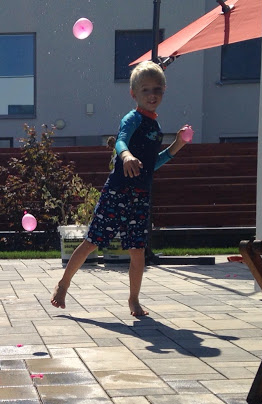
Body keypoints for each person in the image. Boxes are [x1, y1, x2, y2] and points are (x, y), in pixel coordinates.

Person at [51, 61, 190, 317]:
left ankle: (133, 299)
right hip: (117, 192)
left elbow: (153, 163)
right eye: (145, 89)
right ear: (133, 94)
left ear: (164, 91)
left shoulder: (156, 128)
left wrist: (178, 144)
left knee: (137, 251)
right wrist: (125, 155)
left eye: (157, 89)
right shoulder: (132, 118)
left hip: (140, 196)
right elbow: (121, 140)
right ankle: (64, 283)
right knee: (92, 242)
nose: (152, 94)